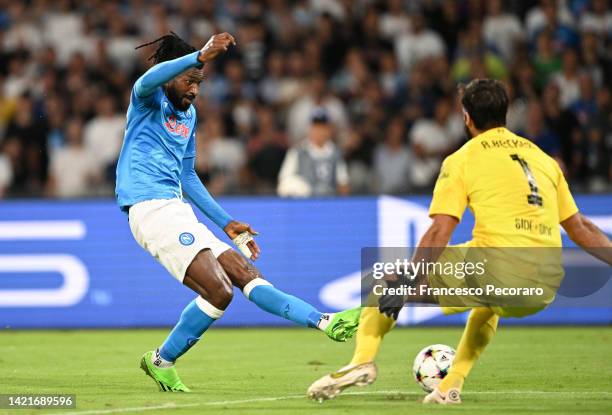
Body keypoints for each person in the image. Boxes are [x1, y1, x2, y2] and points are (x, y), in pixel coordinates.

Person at [307, 79, 612, 404]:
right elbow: (581, 228)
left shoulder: (463, 159)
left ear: (466, 117)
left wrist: (409, 279)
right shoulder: (544, 160)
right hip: (544, 286)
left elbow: (441, 229)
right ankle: (449, 386)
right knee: (487, 306)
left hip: (496, 268)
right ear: (505, 113)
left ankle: (361, 362)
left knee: (385, 282)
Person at [115, 32, 361, 393]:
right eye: (189, 81)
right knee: (219, 291)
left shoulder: (189, 116)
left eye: (199, 83)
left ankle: (324, 321)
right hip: (149, 210)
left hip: (178, 209)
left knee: (244, 273)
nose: (195, 90)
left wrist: (226, 222)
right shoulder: (147, 101)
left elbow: (186, 175)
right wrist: (199, 55)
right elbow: (145, 79)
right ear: (172, 76)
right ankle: (161, 360)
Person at [277, 107, 349, 197]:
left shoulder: (336, 153)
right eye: (316, 127)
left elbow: (343, 183)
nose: (319, 131)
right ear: (310, 129)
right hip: (305, 205)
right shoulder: (297, 152)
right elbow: (284, 180)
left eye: (322, 127)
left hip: (329, 203)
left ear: (329, 130)